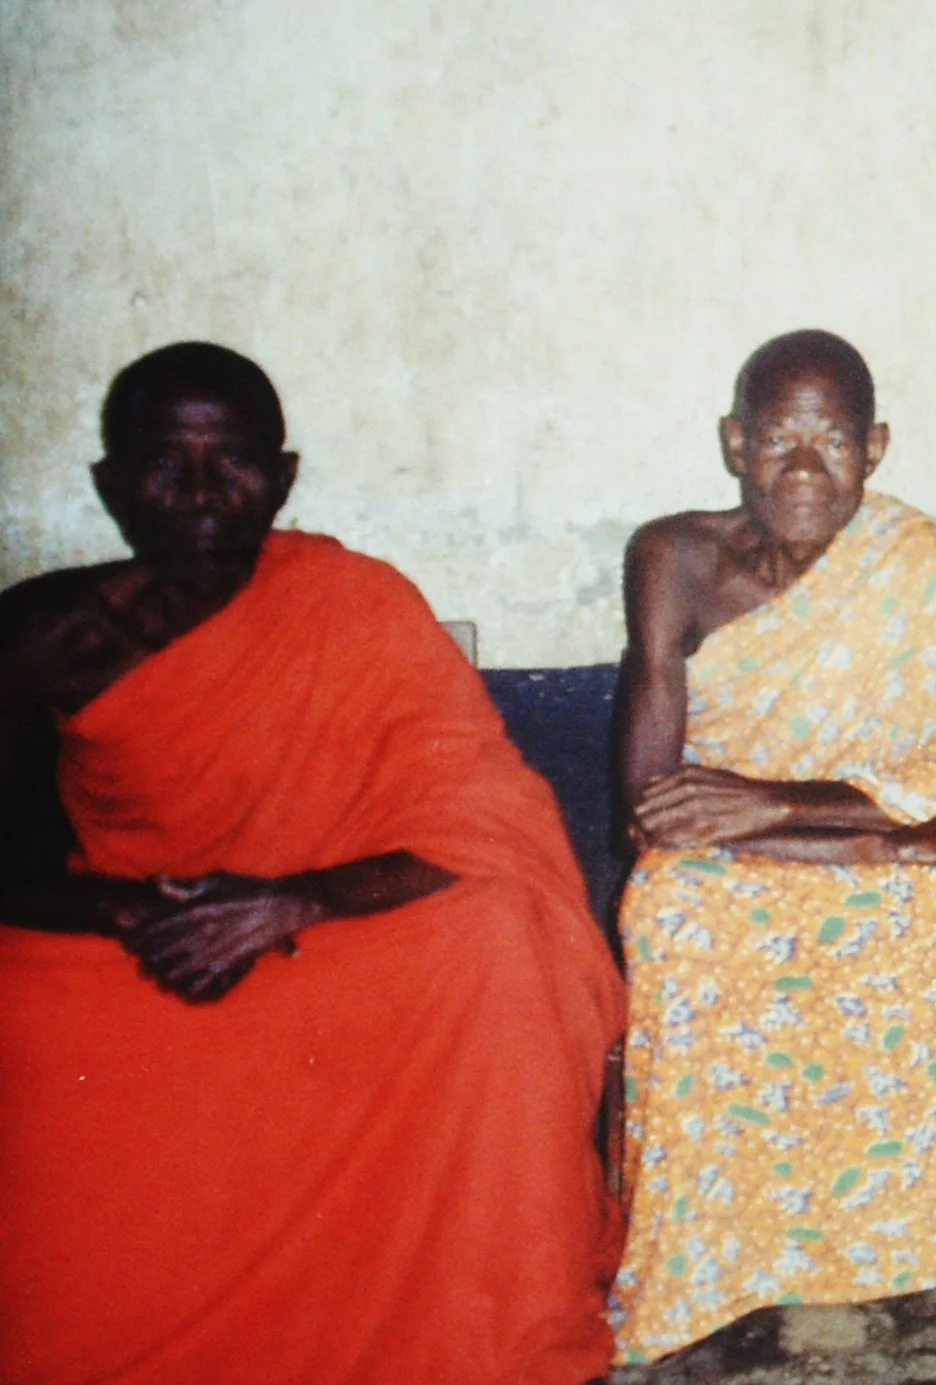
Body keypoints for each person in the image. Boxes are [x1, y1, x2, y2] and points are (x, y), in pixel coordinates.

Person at [0, 343, 624, 1385]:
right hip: (136, 943)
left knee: (501, 941)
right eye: (165, 460)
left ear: (283, 476)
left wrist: (297, 900)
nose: (200, 489)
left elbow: (486, 815)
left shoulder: (356, 600)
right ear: (112, 483)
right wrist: (130, 912)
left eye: (232, 459)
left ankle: (489, 1311)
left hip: (320, 939)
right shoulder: (39, 632)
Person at [607, 330, 936, 1363]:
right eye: (780, 437)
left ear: (877, 447)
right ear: (736, 442)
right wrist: (856, 839)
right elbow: (648, 806)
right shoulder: (673, 555)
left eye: (834, 440)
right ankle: (727, 1242)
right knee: (674, 906)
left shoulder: (904, 555)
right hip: (758, 851)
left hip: (832, 819)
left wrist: (791, 812)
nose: (808, 468)